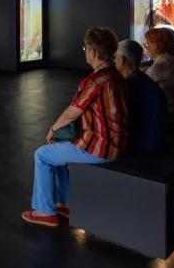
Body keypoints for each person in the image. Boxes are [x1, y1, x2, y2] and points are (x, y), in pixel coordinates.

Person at [22, 28, 128, 227]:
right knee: (59, 152)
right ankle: (64, 203)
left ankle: (45, 211)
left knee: (42, 155)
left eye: (85, 48)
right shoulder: (116, 76)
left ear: (92, 52)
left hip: (100, 147)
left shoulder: (96, 81)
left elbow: (72, 112)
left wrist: (52, 130)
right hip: (117, 142)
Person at [115, 39, 167, 151]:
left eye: (115, 57)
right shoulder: (148, 82)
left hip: (140, 144)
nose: (114, 60)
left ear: (122, 60)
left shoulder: (127, 86)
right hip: (157, 140)